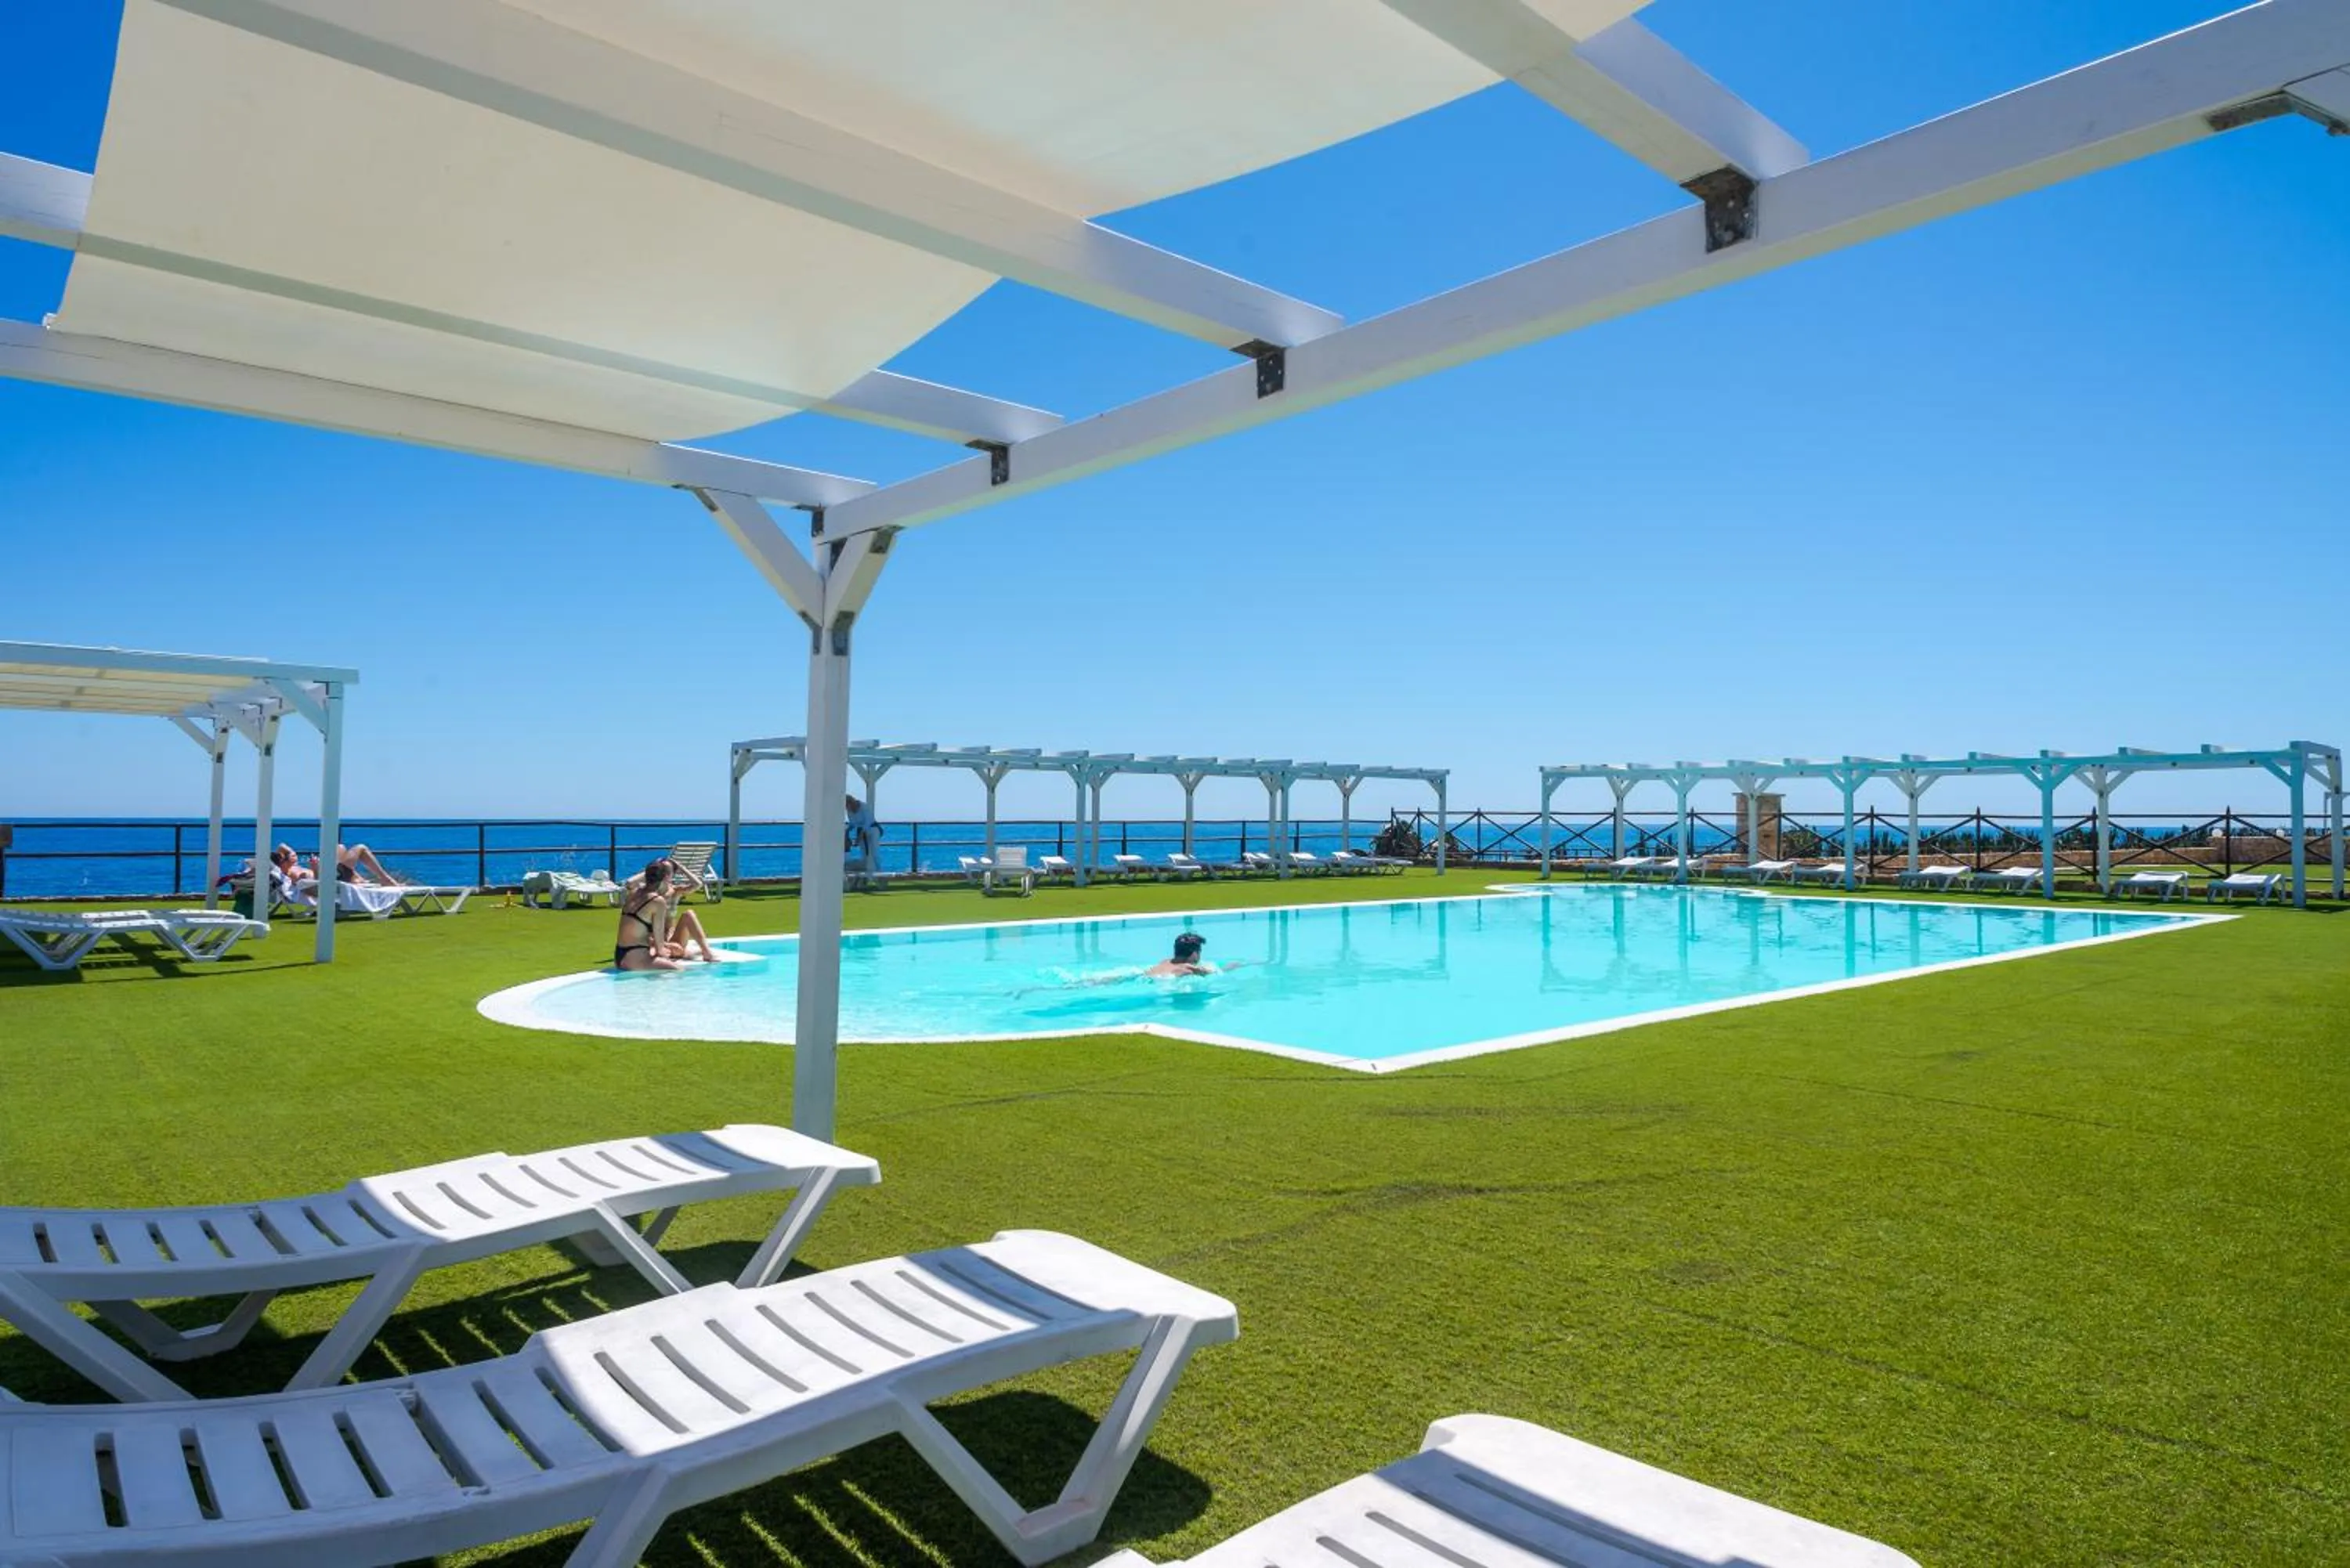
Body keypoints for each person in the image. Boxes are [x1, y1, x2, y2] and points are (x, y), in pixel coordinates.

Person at [613, 858, 718, 970]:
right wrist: (667, 952)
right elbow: (660, 948)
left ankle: (699, 951)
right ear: (666, 877)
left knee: (674, 957)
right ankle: (693, 952)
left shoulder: (635, 893)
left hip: (621, 955)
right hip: (637, 955)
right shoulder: (657, 901)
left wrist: (652, 870)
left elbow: (630, 883)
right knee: (681, 971)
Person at [844, 793, 881, 889]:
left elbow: (867, 824)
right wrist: (847, 831)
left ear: (851, 802)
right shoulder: (849, 811)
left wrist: (858, 838)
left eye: (847, 805)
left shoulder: (864, 807)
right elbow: (853, 823)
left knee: (874, 852)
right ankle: (868, 878)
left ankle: (880, 876)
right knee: (865, 855)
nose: (846, 808)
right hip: (861, 831)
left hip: (872, 830)